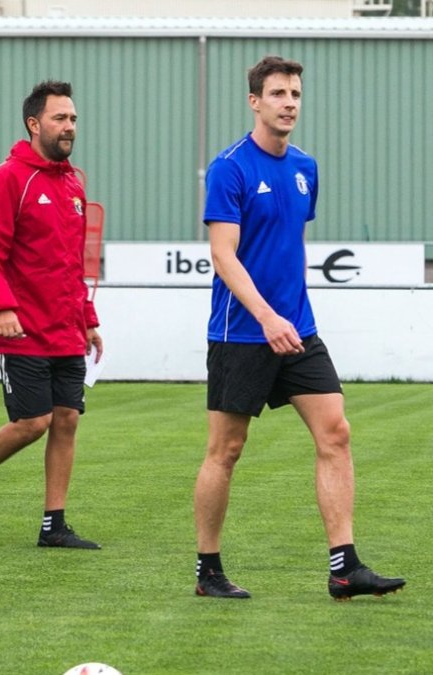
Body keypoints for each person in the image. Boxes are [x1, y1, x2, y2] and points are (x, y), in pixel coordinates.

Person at [194, 56, 405, 600]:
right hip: (242, 332)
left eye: (295, 94)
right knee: (227, 449)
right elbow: (224, 255)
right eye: (278, 93)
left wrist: (287, 317)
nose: (290, 103)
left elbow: (288, 244)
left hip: (299, 331)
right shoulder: (230, 168)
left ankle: (344, 568)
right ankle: (208, 571)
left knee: (336, 432)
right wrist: (266, 316)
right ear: (254, 102)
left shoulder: (306, 167)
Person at [0, 80, 103, 547]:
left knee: (68, 420)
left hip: (66, 325)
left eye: (73, 118)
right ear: (34, 124)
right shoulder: (9, 178)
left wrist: (89, 318)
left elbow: (72, 263)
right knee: (33, 423)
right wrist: (2, 308)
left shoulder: (75, 183)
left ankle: (53, 524)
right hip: (21, 328)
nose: (69, 126)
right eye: (60, 118)